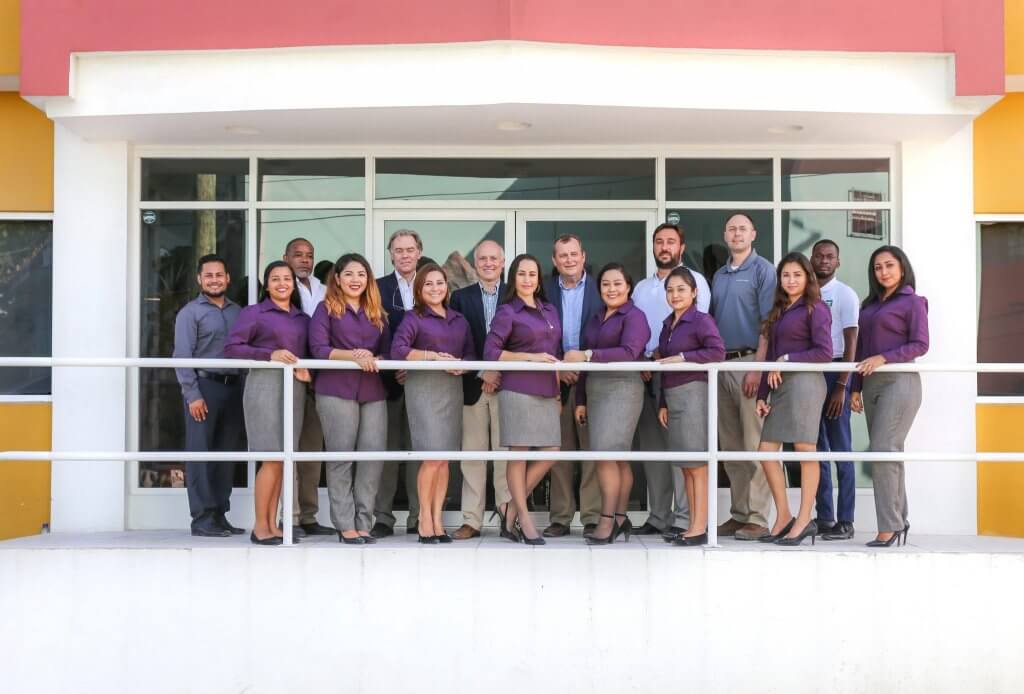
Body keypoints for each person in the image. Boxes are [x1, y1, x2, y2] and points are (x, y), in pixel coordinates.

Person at [632, 222, 712, 538]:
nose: (664, 247)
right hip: (650, 372)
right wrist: (643, 360)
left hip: (683, 375)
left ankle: (686, 518)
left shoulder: (697, 282)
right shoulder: (640, 288)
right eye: (659, 242)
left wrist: (672, 360)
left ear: (681, 247)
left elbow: (697, 332)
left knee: (685, 447)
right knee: (655, 447)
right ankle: (659, 515)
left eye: (670, 242)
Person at [225, 261, 311, 546]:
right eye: (275, 279)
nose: (282, 283)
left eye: (287, 278)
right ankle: (260, 526)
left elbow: (305, 354)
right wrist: (269, 354)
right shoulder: (255, 313)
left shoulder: (302, 319)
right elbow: (233, 348)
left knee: (284, 459)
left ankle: (272, 524)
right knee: (271, 457)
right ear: (267, 284)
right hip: (264, 385)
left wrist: (305, 369)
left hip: (294, 390)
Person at [308, 253, 390, 545]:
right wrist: (354, 356)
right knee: (341, 458)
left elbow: (387, 352)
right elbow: (318, 349)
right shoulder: (325, 309)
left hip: (372, 391)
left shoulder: (377, 312)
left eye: (361, 274)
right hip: (335, 390)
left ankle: (364, 522)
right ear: (338, 279)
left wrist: (375, 358)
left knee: (371, 458)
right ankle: (345, 524)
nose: (356, 280)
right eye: (349, 274)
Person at [566, 263, 650, 544]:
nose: (611, 289)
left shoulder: (635, 316)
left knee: (605, 454)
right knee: (616, 457)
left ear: (628, 287)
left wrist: (588, 354)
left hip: (623, 388)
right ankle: (621, 517)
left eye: (617, 283)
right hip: (595, 389)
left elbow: (629, 352)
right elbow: (585, 365)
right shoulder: (597, 317)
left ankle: (607, 519)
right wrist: (580, 400)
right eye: (605, 284)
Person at [392, 263, 476, 544]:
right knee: (430, 458)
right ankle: (424, 521)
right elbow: (399, 351)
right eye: (428, 283)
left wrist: (460, 367)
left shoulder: (459, 320)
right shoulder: (413, 317)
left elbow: (471, 357)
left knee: (443, 461)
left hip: (451, 390)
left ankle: (438, 519)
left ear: (447, 286)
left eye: (439, 282)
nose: (435, 288)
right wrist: (433, 357)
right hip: (424, 390)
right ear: (419, 288)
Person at [851, 246, 929, 548]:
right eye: (877, 267)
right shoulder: (868, 305)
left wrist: (884, 357)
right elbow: (860, 350)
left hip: (900, 381)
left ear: (902, 268)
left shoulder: (913, 302)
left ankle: (889, 526)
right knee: (889, 451)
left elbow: (920, 344)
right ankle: (900, 519)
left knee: (883, 449)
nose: (883, 272)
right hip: (871, 384)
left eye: (889, 265)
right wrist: (855, 387)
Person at [754, 252, 833, 546]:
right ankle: (784, 516)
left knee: (804, 448)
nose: (791, 280)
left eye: (797, 275)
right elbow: (771, 358)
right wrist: (762, 394)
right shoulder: (779, 311)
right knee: (765, 450)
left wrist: (787, 359)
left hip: (806, 383)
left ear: (808, 277)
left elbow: (824, 352)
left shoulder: (816, 309)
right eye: (786, 275)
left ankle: (804, 520)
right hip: (781, 385)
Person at [484, 253, 563, 545]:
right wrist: (530, 357)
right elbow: (491, 352)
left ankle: (509, 507)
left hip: (545, 390)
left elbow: (554, 354)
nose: (527, 279)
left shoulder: (549, 310)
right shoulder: (508, 311)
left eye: (532, 274)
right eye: (521, 274)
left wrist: (557, 392)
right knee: (518, 452)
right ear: (513, 278)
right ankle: (524, 519)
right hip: (517, 388)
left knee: (551, 449)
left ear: (539, 279)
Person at [710, 213, 776, 541]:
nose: (737, 233)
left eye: (743, 229)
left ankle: (758, 516)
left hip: (750, 361)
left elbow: (769, 323)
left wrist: (758, 368)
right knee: (731, 446)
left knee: (754, 443)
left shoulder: (763, 270)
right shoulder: (719, 275)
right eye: (732, 229)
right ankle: (739, 513)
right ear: (725, 235)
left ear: (753, 233)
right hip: (721, 364)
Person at [173, 254, 244, 537]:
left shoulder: (238, 312)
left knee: (225, 454)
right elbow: (181, 356)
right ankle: (201, 518)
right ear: (200, 280)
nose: (215, 279)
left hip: (233, 388)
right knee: (201, 453)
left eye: (219, 275)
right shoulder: (190, 313)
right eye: (209, 275)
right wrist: (192, 395)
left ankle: (219, 514)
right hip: (204, 389)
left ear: (227, 278)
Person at [656, 267, 725, 546]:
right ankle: (692, 525)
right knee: (686, 465)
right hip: (673, 396)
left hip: (695, 393)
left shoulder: (701, 320)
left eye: (681, 289)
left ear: (695, 292)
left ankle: (699, 527)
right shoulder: (667, 323)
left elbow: (717, 351)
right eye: (670, 290)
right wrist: (662, 402)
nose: (675, 295)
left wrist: (684, 357)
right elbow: (664, 365)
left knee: (697, 464)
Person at [543, 234, 603, 537]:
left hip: (592, 380)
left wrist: (584, 365)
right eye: (562, 255)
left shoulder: (601, 287)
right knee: (560, 451)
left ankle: (592, 515)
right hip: (555, 380)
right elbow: (536, 334)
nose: (569, 259)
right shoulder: (543, 290)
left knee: (592, 451)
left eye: (574, 254)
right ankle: (561, 517)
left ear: (583, 256)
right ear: (555, 261)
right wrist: (558, 366)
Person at [450, 240, 511, 540]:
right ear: (475, 263)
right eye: (482, 259)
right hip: (472, 386)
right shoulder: (460, 298)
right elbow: (455, 341)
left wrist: (497, 370)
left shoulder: (515, 294)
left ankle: (507, 515)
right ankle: (471, 520)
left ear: (502, 262)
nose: (488, 263)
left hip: (508, 386)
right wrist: (481, 370)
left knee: (505, 455)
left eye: (494, 258)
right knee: (472, 456)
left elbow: (522, 339)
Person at [281, 237, 334, 538]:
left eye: (309, 255)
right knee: (290, 448)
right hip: (292, 380)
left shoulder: (326, 291)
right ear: (285, 257)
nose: (304, 260)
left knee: (311, 452)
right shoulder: (280, 291)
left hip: (320, 380)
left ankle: (309, 515)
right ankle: (291, 517)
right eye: (298, 255)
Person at [372, 229, 422, 537]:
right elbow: (372, 332)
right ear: (391, 254)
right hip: (386, 382)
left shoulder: (433, 283)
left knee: (420, 452)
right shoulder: (377, 288)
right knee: (387, 452)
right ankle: (382, 518)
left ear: (419, 252)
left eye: (409, 249)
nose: (404, 254)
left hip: (424, 382)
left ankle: (419, 517)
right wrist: (393, 368)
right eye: (398, 250)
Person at [810, 240, 860, 540]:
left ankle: (846, 519)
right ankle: (825, 516)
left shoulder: (845, 295)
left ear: (838, 262)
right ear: (811, 259)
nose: (824, 261)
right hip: (811, 372)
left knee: (841, 448)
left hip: (837, 370)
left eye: (830, 257)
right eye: (819, 256)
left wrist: (843, 384)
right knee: (816, 449)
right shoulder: (807, 293)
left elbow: (852, 341)